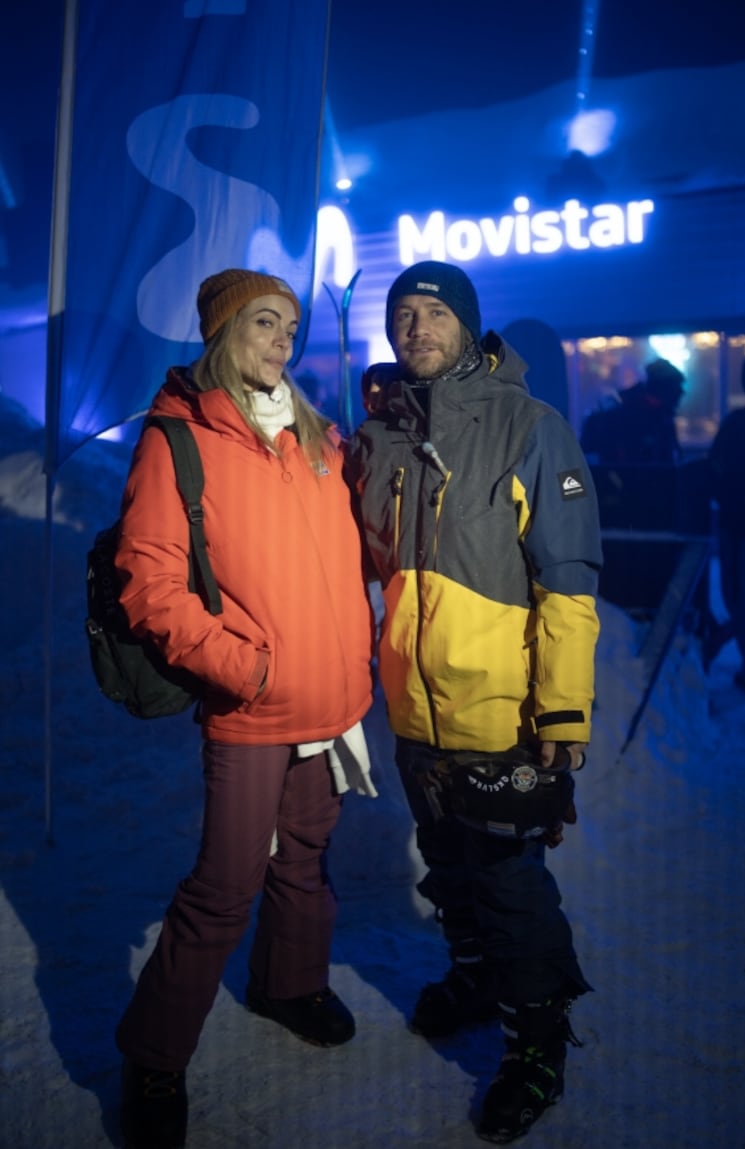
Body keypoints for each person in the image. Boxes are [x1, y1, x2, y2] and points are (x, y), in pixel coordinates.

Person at [113, 269, 375, 1149]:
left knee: (304, 859)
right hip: (254, 707)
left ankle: (289, 983)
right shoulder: (179, 437)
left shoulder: (314, 437)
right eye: (265, 322)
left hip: (333, 703)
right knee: (225, 885)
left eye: (291, 327)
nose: (282, 341)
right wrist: (246, 669)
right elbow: (148, 586)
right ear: (224, 330)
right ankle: (153, 1055)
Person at [344, 261, 602, 1143]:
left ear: (467, 323)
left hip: (499, 711)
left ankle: (536, 1041)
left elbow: (567, 581)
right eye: (401, 314)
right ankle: (473, 975)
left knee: (507, 881)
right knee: (446, 861)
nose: (413, 327)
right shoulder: (377, 438)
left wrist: (563, 713)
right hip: (413, 711)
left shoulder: (529, 425)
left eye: (431, 312)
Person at [708, 351, 745, 694]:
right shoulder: (738, 424)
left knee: (741, 596)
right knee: (744, 597)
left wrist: (723, 500)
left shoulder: (738, 423)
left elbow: (715, 468)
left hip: (742, 526)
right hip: (744, 523)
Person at [580, 357, 685, 465]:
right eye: (676, 387)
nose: (681, 392)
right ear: (663, 388)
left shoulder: (662, 416)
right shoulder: (618, 417)